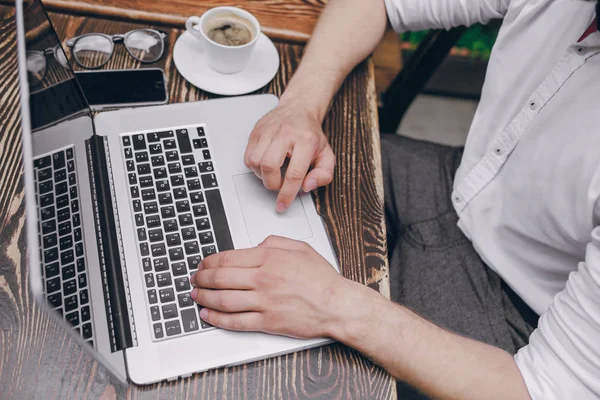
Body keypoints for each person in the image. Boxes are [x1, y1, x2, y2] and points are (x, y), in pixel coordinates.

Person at [189, 0, 600, 398]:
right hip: (458, 181)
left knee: (292, 375)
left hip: (509, 316)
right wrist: (301, 107)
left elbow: (542, 388)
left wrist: (332, 302)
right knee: (242, 183)